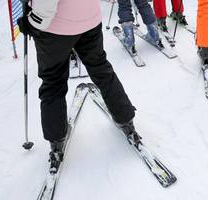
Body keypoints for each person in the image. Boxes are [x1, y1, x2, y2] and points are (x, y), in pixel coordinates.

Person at [18, 0, 138, 171]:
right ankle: (125, 117)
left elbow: (46, 6)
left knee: (53, 80)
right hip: (89, 19)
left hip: (55, 27)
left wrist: (32, 22)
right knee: (101, 69)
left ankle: (56, 138)